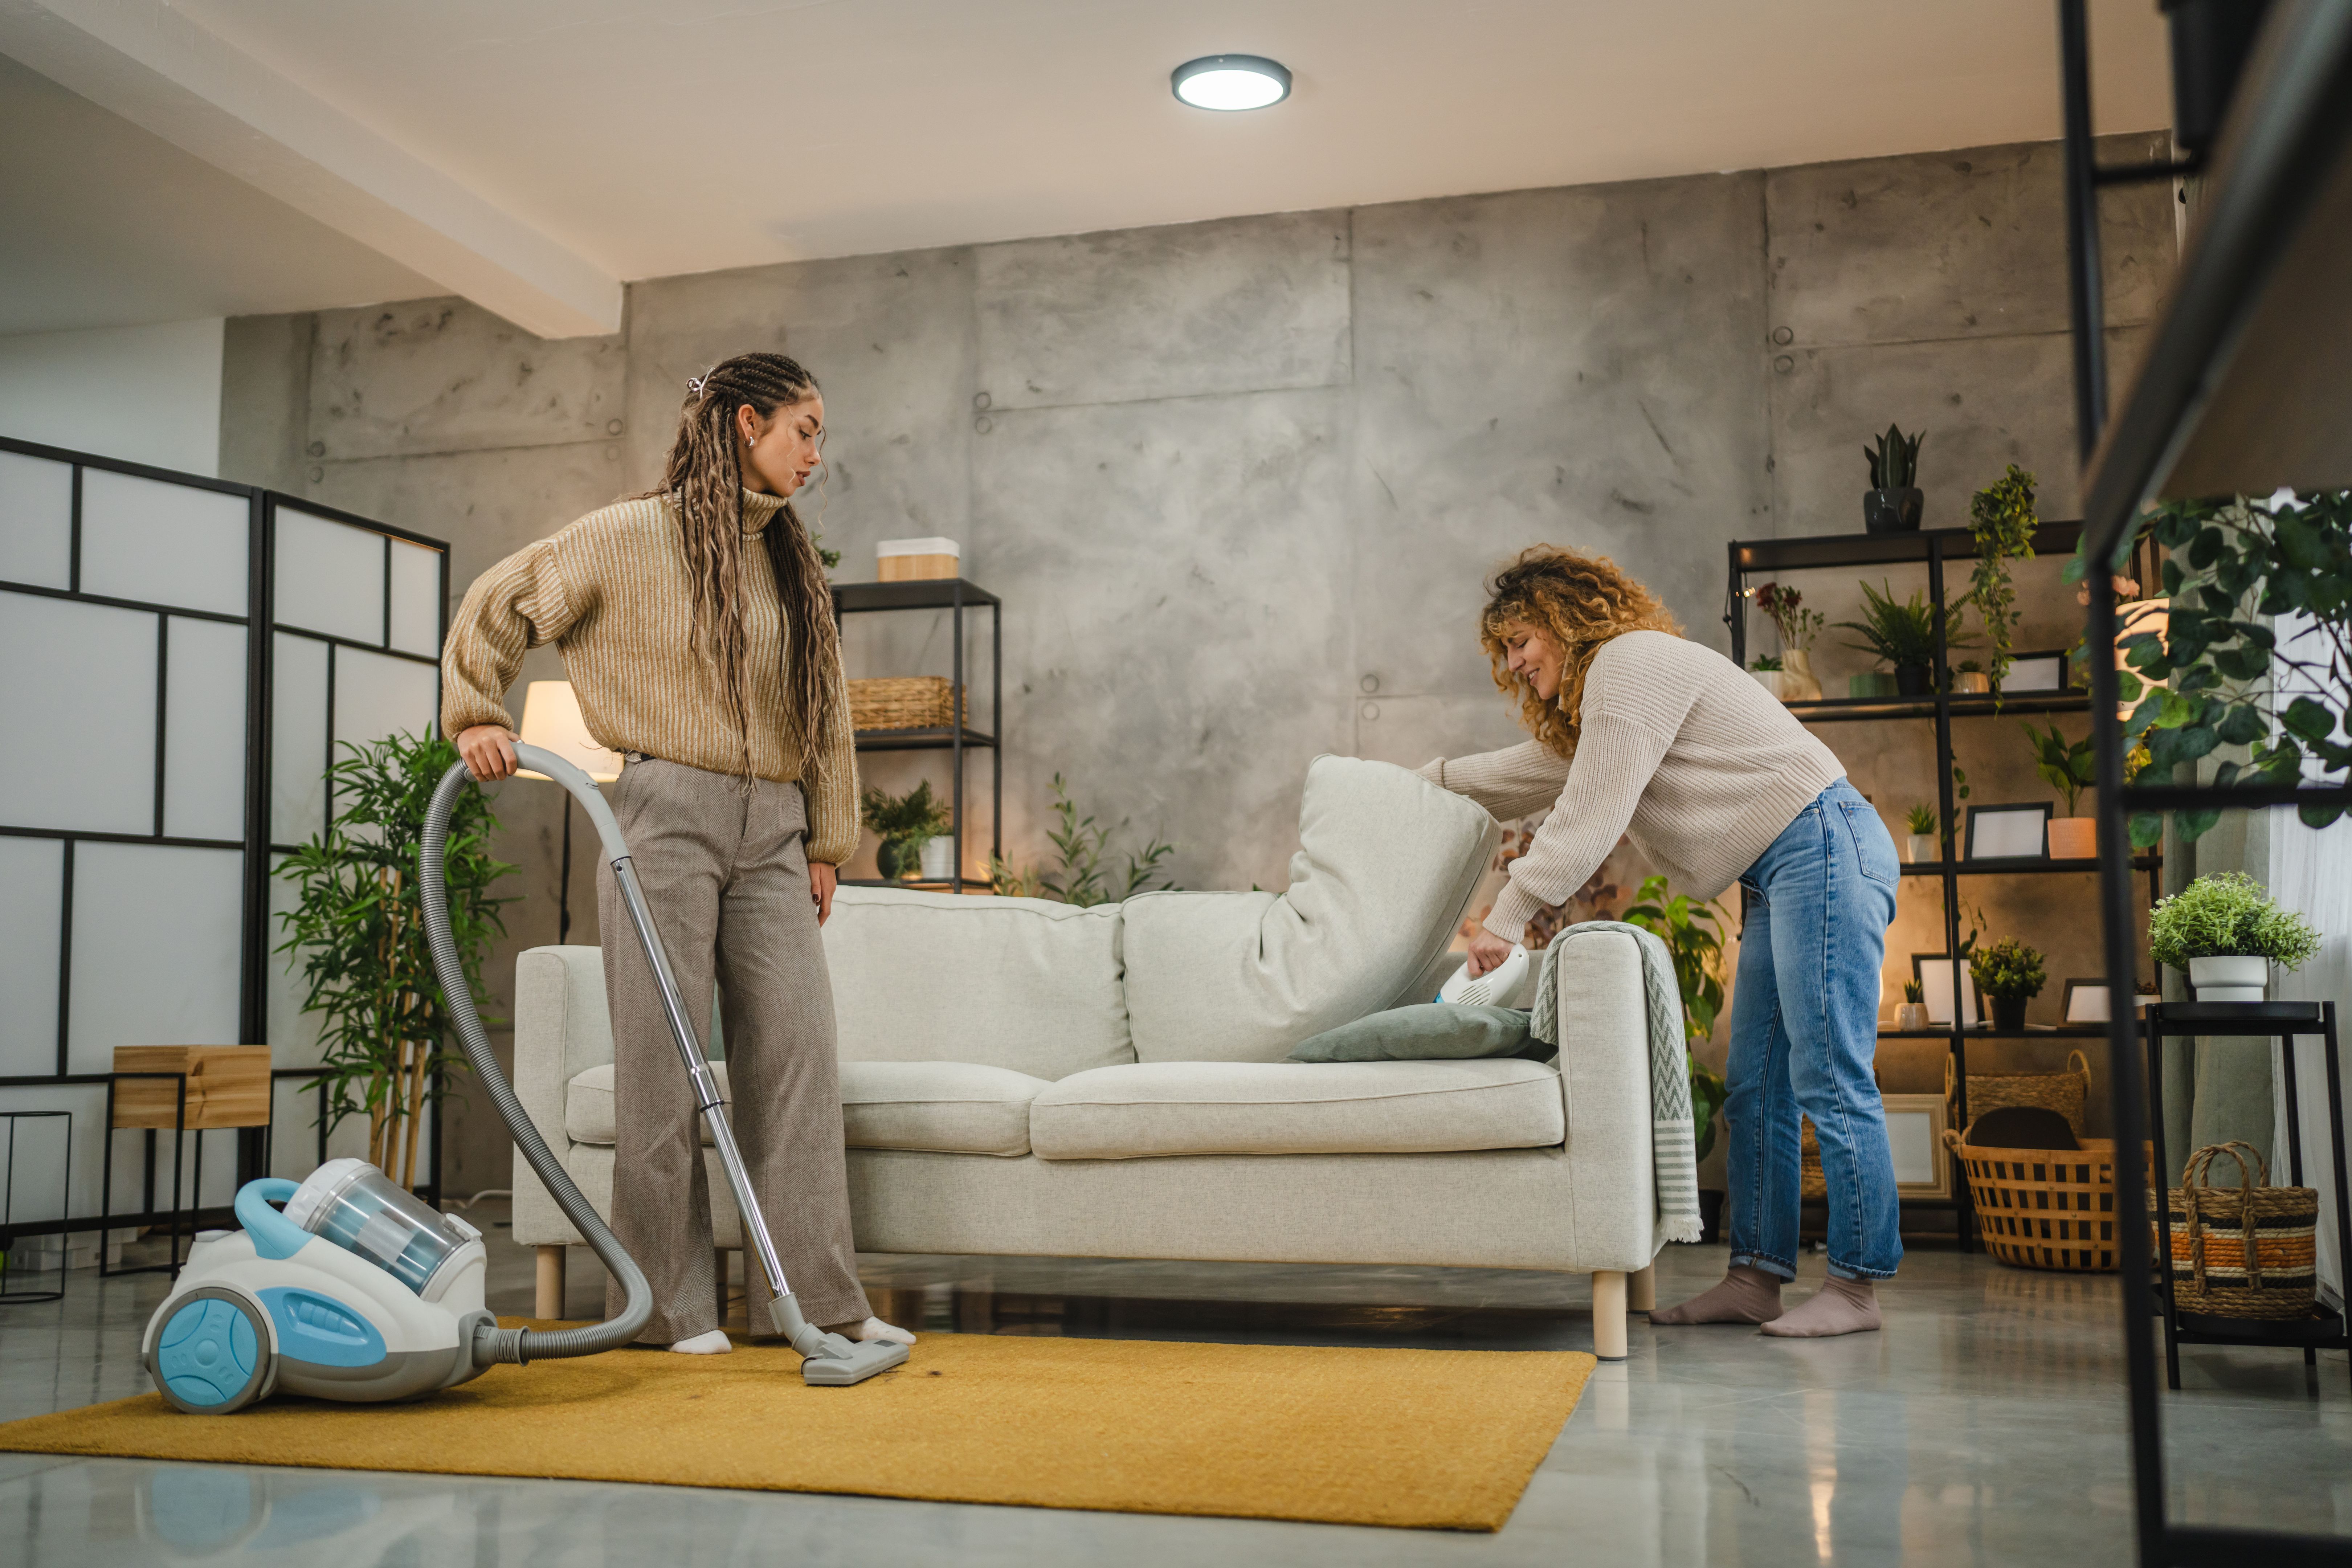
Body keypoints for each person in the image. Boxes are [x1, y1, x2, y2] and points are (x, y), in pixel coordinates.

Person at [439, 352, 910, 1354]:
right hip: (664, 812)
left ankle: (823, 1303)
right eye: (805, 429)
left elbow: (823, 716)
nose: (817, 453)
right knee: (661, 1065)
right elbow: (500, 600)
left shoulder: (791, 560)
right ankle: (673, 1309)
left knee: (796, 1059)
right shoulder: (626, 536)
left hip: (774, 827)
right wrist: (478, 714)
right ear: (746, 423)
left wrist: (828, 838)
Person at [1416, 546, 1899, 1338]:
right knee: (1756, 1086)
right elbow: (1531, 772)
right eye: (1504, 651)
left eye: (1520, 641)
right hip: (1784, 863)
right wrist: (1421, 782)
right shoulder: (1611, 694)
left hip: (1821, 842)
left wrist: (1506, 915)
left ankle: (1856, 1287)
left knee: (1827, 1071)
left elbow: (1591, 812)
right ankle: (1756, 1277)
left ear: (1562, 619)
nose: (1514, 663)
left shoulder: (1630, 665)